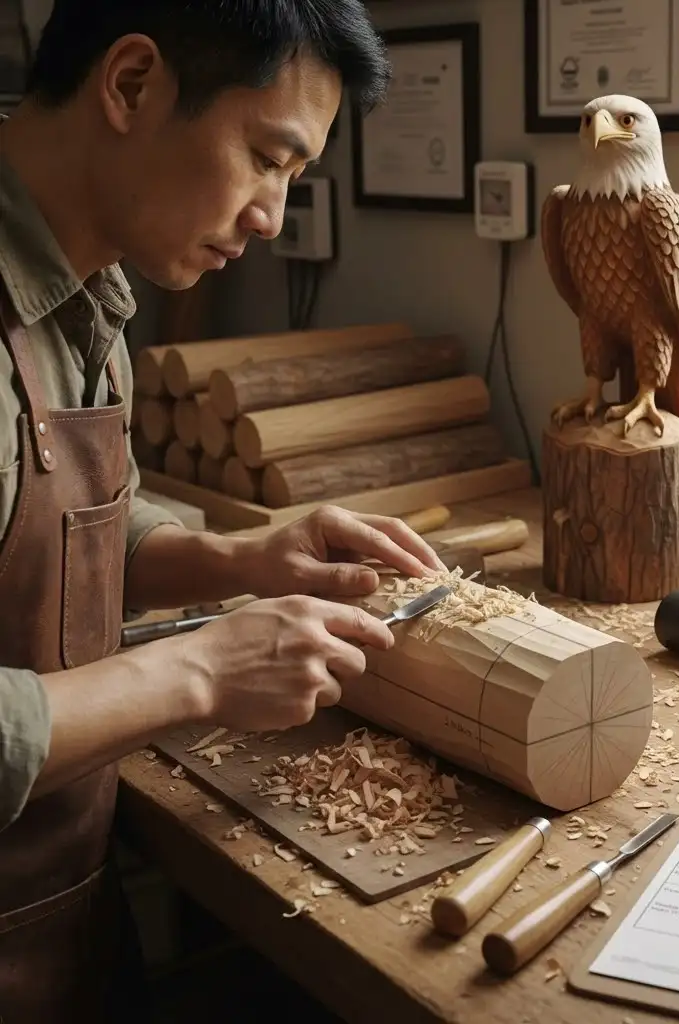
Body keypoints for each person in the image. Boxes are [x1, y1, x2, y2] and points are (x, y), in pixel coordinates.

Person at [0, 2, 444, 1021]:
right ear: (129, 84)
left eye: (294, 177)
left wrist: (242, 558)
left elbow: (65, 523)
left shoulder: (90, 284)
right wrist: (197, 666)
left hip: (59, 905)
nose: (273, 216)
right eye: (265, 156)